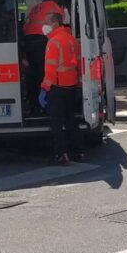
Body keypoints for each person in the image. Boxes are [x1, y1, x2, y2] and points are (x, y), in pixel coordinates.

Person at [40, 11, 83, 164]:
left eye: (46, 22)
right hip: (71, 86)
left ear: (55, 23)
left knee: (57, 124)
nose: (43, 25)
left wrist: (44, 88)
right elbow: (78, 65)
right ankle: (76, 151)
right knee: (71, 121)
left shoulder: (53, 42)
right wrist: (78, 85)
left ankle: (61, 154)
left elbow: (50, 70)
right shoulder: (72, 40)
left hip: (57, 88)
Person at [22, 0, 69, 114]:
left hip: (29, 42)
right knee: (46, 74)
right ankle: (46, 105)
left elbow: (25, 26)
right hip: (42, 41)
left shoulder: (37, 7)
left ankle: (34, 106)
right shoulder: (56, 8)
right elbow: (61, 27)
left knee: (33, 75)